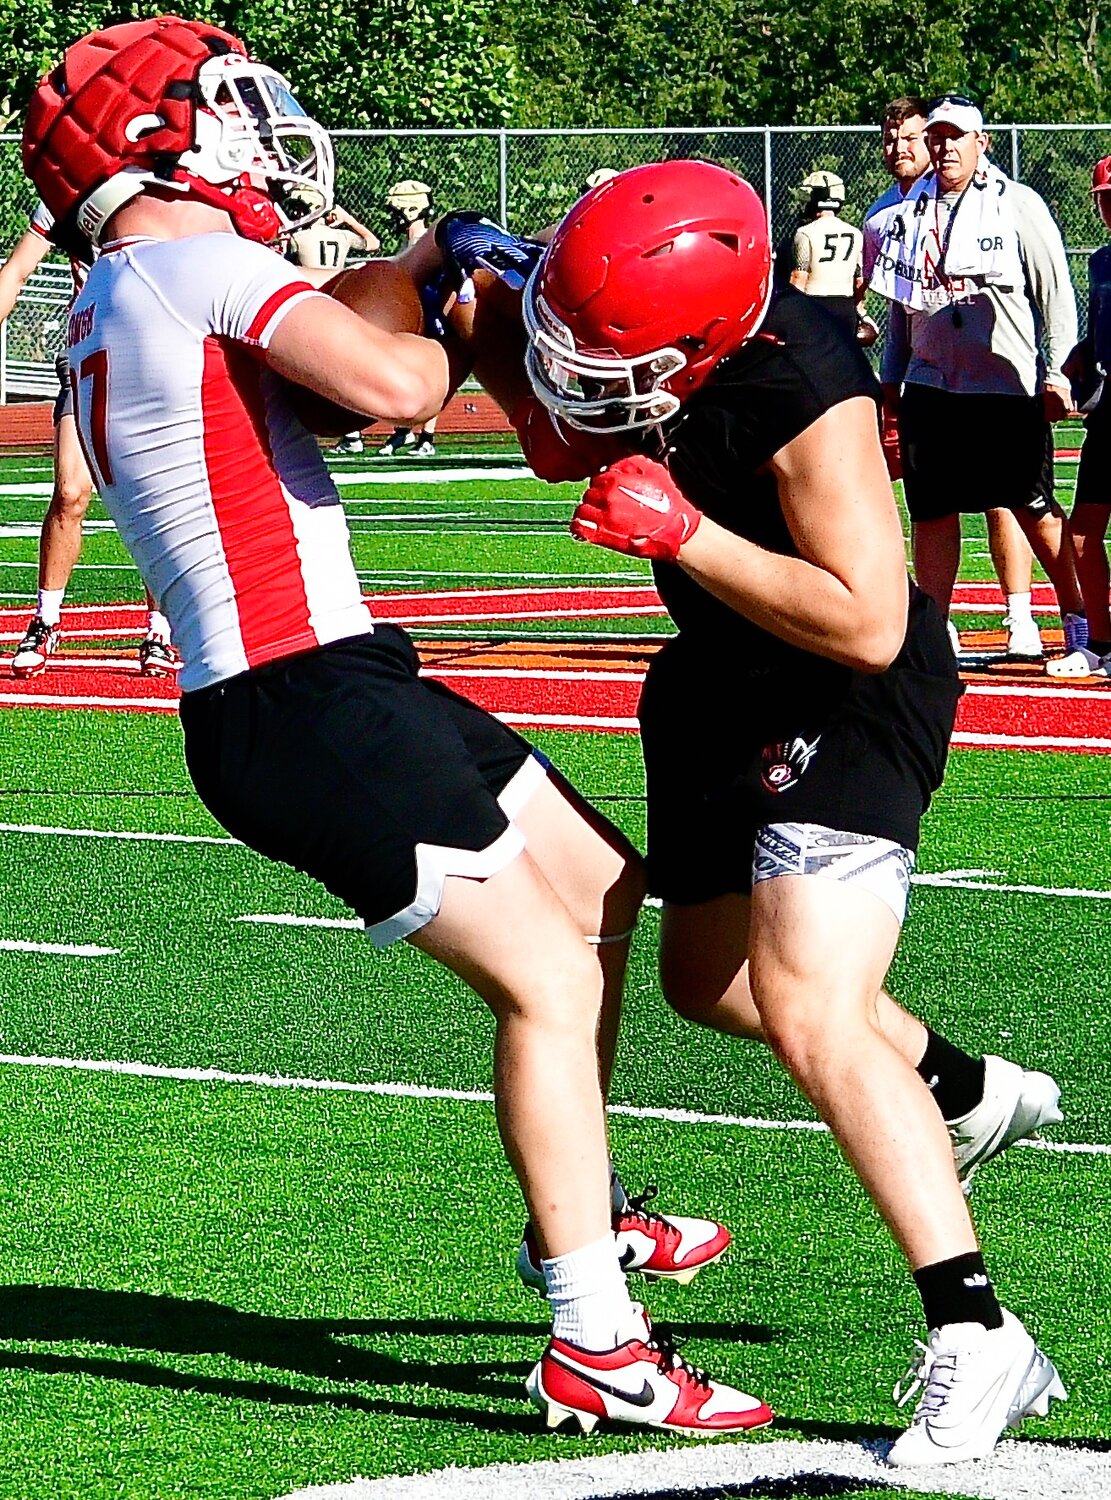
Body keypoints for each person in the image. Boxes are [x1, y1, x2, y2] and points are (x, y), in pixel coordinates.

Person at [23, 16, 773, 1440]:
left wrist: (421, 265)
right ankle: (591, 1342)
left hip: (322, 680)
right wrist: (459, 300)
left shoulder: (122, 289)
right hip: (294, 695)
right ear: (148, 138)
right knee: (549, 981)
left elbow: (324, 339)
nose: (254, 129)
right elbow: (396, 391)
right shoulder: (192, 263)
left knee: (604, 883)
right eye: (223, 106)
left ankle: (584, 1205)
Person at [437, 161, 1066, 1463]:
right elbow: (568, 429)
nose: (593, 375)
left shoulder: (804, 381)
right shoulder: (665, 335)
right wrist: (493, 322)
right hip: (715, 681)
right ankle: (957, 1088)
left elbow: (867, 616)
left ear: (711, 337)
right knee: (704, 978)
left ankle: (975, 1329)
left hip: (840, 690)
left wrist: (684, 538)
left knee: (808, 1005)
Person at [868, 95, 1085, 668]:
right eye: (936, 137)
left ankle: (1081, 626)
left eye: (956, 137)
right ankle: (933, 635)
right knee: (933, 511)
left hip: (1003, 386)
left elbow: (1055, 293)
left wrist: (1058, 370)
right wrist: (891, 382)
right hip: (931, 386)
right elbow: (901, 307)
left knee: (1033, 507)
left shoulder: (1017, 204)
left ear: (981, 143)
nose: (944, 148)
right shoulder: (910, 210)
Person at [0, 204, 177, 678]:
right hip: (89, 360)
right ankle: (46, 618)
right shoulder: (70, 193)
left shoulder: (166, 188)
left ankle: (158, 627)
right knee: (70, 491)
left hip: (153, 356)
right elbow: (17, 271)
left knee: (153, 495)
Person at [1047, 155, 1111, 678]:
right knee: (1085, 533)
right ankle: (1101, 644)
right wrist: (1065, 371)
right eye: (1105, 198)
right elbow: (1096, 338)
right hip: (1108, 416)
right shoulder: (1101, 261)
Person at [286, 200, 380, 456]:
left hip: (311, 301)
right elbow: (373, 243)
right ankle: (352, 432)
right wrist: (348, 219)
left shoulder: (297, 237)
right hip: (340, 299)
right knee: (343, 368)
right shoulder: (342, 235)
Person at [373, 180, 439, 457]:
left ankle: (427, 437)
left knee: (431, 376)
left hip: (430, 310)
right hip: (414, 310)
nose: (393, 216)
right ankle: (404, 431)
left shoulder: (425, 241)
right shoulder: (410, 241)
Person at [782, 171, 866, 343]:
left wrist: (789, 314)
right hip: (845, 307)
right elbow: (860, 280)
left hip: (815, 306)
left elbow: (799, 277)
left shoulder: (805, 233)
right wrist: (857, 307)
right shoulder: (855, 233)